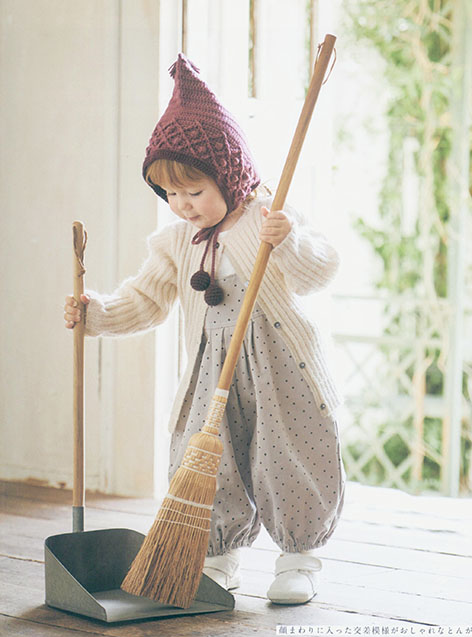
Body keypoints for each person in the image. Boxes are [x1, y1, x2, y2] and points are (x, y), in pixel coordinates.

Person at [64, 54, 345, 605]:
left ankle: (298, 557)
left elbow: (320, 270)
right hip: (212, 370)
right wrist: (95, 315)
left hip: (279, 364)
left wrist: (286, 241)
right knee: (205, 457)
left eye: (194, 191)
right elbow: (145, 299)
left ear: (229, 174)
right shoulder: (174, 242)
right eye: (170, 194)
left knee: (287, 454)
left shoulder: (268, 216)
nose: (182, 205)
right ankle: (216, 556)